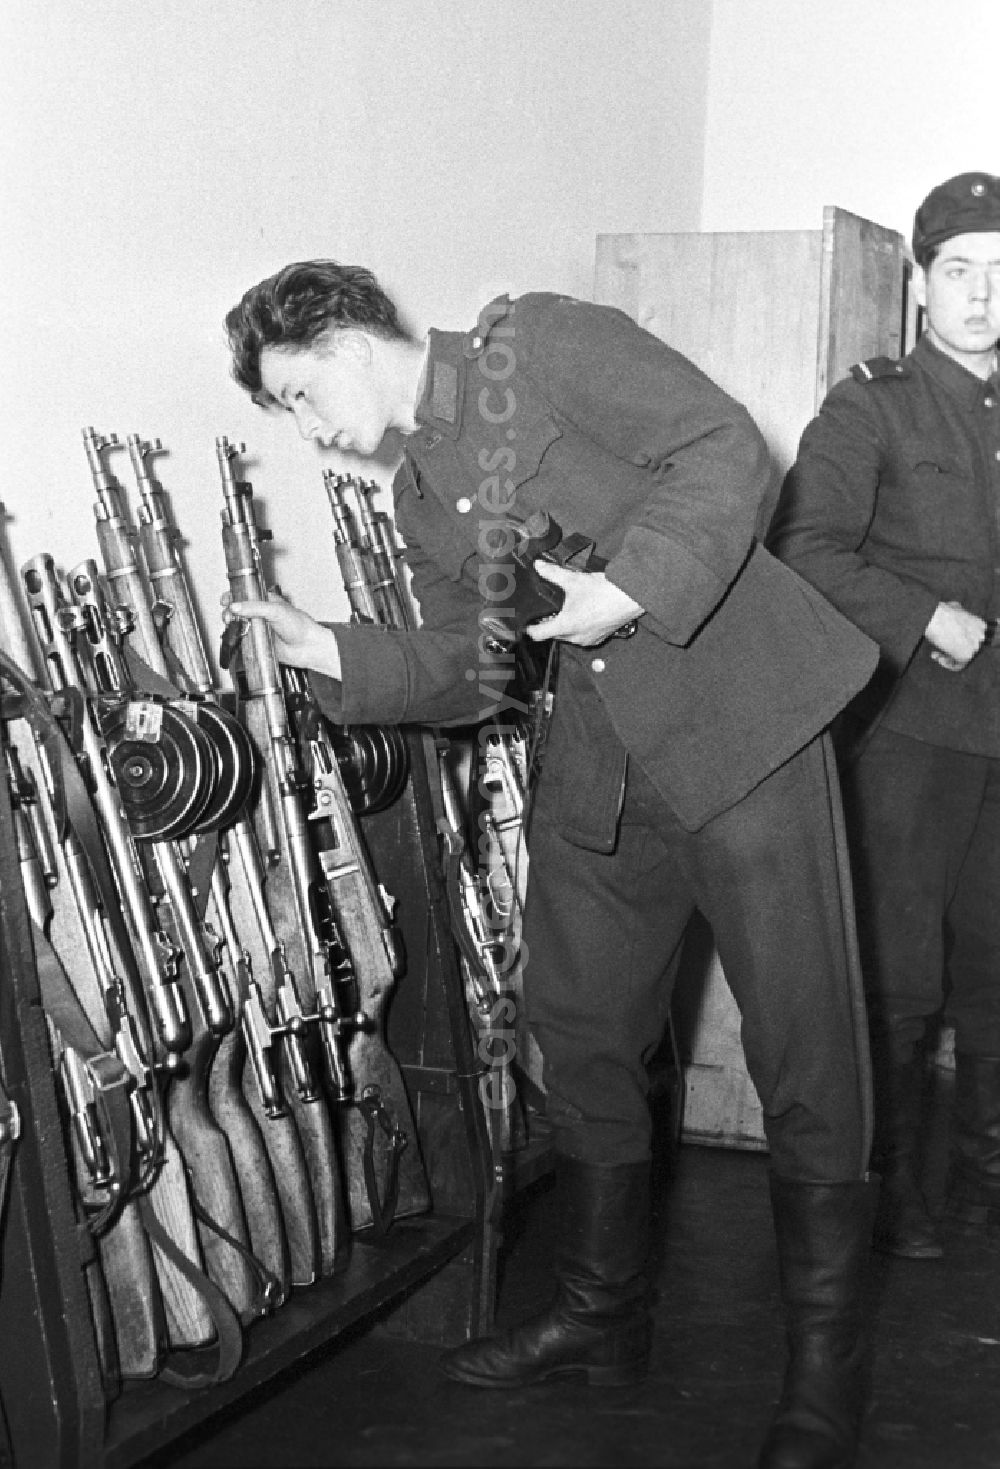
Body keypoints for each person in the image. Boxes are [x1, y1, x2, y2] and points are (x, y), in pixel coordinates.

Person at [223, 261, 881, 1469]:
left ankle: (823, 1370)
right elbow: (474, 671)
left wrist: (627, 586)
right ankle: (601, 1312)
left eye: (301, 392)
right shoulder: (421, 489)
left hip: (742, 722)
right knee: (577, 1028)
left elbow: (724, 447)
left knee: (804, 1048)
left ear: (348, 340)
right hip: (602, 758)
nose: (309, 427)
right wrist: (332, 645)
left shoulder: (546, 344)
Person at [769, 171, 1000, 1263]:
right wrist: (922, 615)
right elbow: (806, 548)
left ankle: (985, 1188)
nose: (981, 296)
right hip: (911, 737)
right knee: (904, 979)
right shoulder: (870, 402)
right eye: (959, 271)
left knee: (996, 969)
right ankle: (901, 1206)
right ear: (920, 283)